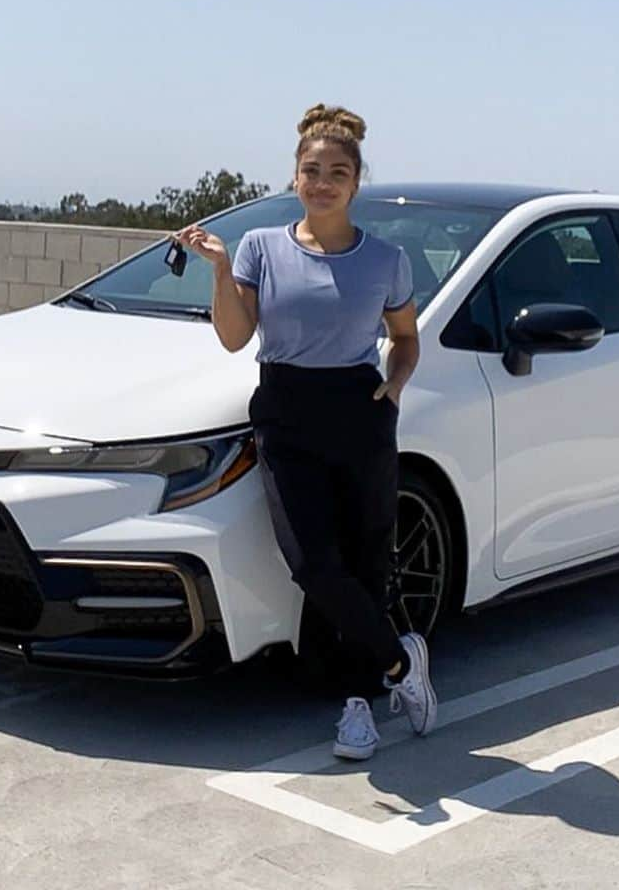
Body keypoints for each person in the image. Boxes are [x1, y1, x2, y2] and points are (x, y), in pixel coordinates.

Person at [174, 103, 437, 760]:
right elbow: (236, 338)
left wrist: (395, 385)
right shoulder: (261, 248)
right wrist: (217, 268)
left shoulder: (385, 259)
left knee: (364, 565)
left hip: (358, 410)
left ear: (355, 182)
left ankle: (358, 707)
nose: (323, 183)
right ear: (295, 176)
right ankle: (402, 663)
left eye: (337, 173)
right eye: (312, 171)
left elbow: (405, 338)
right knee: (314, 564)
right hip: (286, 411)